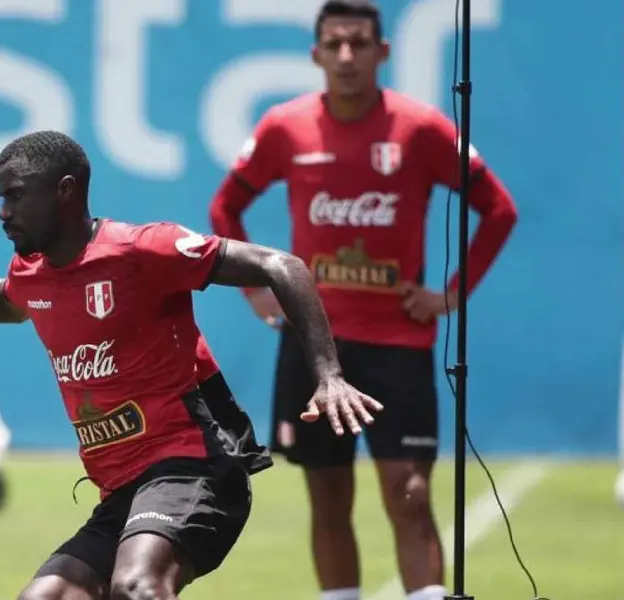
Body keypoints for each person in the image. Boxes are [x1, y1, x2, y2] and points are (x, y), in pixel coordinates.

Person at [0, 130, 383, 600]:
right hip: (123, 489)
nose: (2, 212)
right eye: (1, 198)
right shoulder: (33, 273)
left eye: (15, 197)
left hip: (194, 465)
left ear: (66, 192)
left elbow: (279, 265)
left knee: (138, 587)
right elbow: (4, 300)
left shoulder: (144, 250)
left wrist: (328, 375)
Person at [207, 2, 519, 599]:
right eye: (335, 44)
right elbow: (225, 207)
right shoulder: (284, 127)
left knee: (412, 492)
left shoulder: (423, 129)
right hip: (313, 343)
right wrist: (253, 286)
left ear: (384, 53)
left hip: (399, 344)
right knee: (328, 497)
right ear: (316, 54)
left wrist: (452, 295)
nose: (346, 56)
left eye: (358, 43)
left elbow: (499, 209)